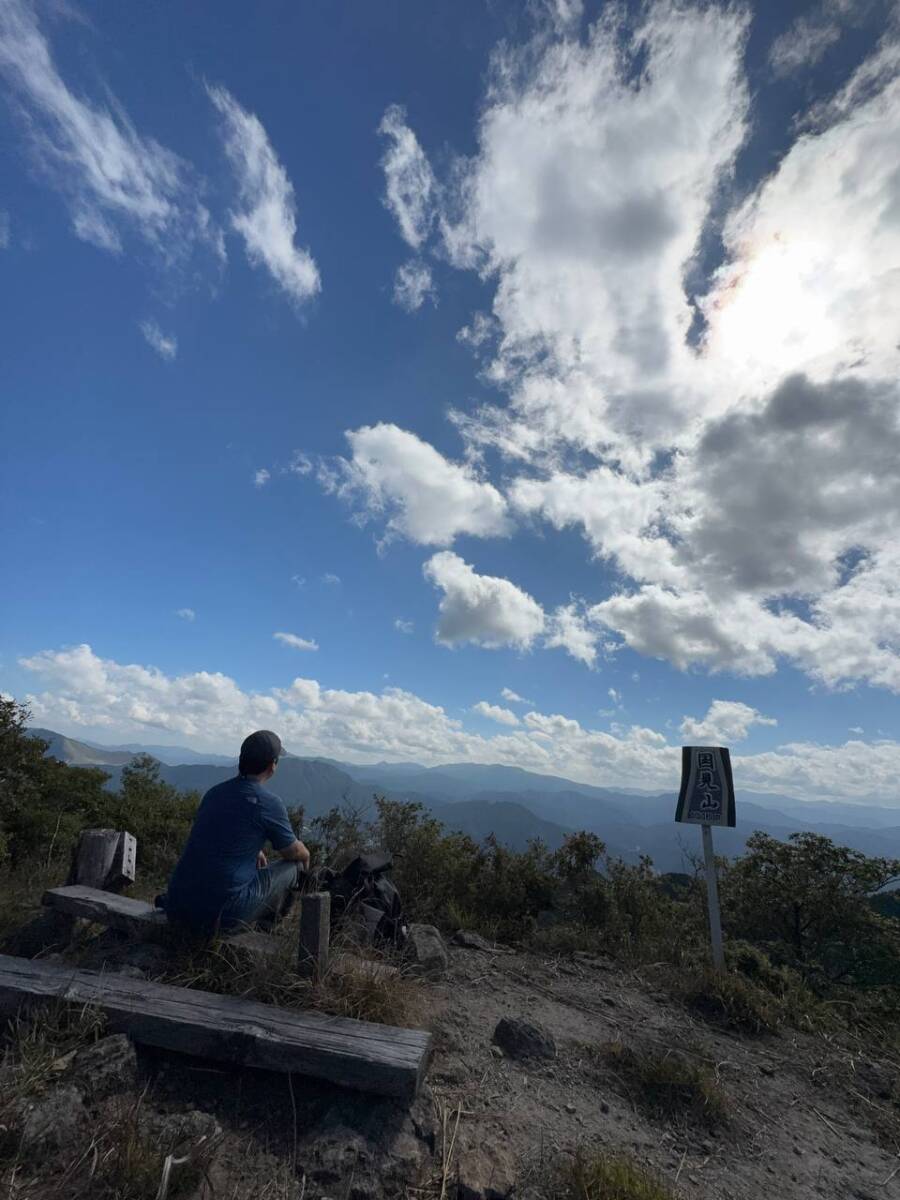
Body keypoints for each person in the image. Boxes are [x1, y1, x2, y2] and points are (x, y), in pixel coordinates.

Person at [162, 730, 311, 933]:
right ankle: (267, 930)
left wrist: (254, 850)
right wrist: (306, 854)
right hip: (222, 916)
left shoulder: (214, 793)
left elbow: (217, 834)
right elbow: (292, 852)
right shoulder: (268, 803)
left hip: (177, 906)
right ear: (272, 765)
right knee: (295, 867)